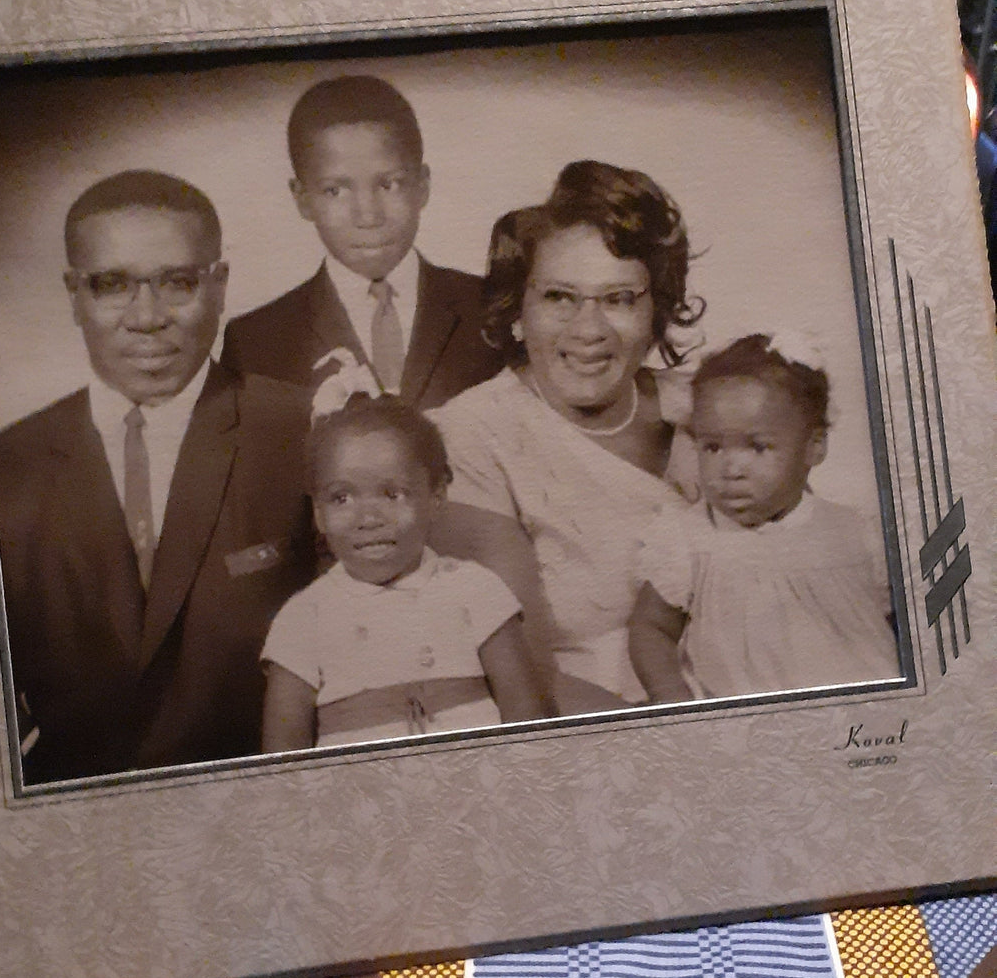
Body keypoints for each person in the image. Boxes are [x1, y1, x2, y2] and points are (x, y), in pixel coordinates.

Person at [0, 170, 316, 784]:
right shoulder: (2, 467)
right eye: (112, 285)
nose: (147, 318)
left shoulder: (301, 432)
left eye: (178, 282)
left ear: (219, 285)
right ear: (74, 293)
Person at [431, 159, 705, 713]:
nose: (589, 329)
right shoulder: (468, 438)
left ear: (657, 312)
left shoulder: (704, 404)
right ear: (516, 311)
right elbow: (513, 672)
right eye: (559, 296)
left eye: (619, 298)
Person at [260, 393, 554, 749]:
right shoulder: (304, 618)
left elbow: (528, 715)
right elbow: (282, 756)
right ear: (319, 513)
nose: (368, 519)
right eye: (341, 498)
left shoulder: (475, 590)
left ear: (436, 497)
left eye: (392, 494)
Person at [628, 333, 901, 699]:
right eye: (712, 446)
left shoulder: (856, 531)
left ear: (814, 446)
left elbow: (901, 624)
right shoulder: (689, 537)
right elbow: (651, 627)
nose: (730, 468)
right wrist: (670, 694)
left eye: (757, 447)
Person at [220, 74, 503, 408]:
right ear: (302, 198)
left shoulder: (494, 309)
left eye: (390, 184)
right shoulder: (255, 341)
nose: (368, 216)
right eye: (335, 191)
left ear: (423, 185)